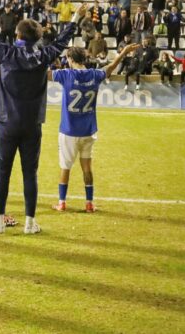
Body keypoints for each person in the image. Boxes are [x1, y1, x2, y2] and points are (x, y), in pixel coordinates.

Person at [0, 0, 86, 235]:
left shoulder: (6, 52)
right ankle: (30, 222)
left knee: (2, 173)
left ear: (17, 34)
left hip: (6, 123)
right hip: (32, 124)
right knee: (30, 174)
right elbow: (64, 39)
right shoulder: (45, 54)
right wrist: (76, 17)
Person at [49, 44, 139, 213]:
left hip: (69, 131)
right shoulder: (95, 74)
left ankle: (62, 202)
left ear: (70, 59)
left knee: (65, 167)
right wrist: (124, 52)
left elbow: (42, 75)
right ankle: (89, 203)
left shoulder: (65, 75)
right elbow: (111, 67)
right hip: (88, 130)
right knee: (87, 167)